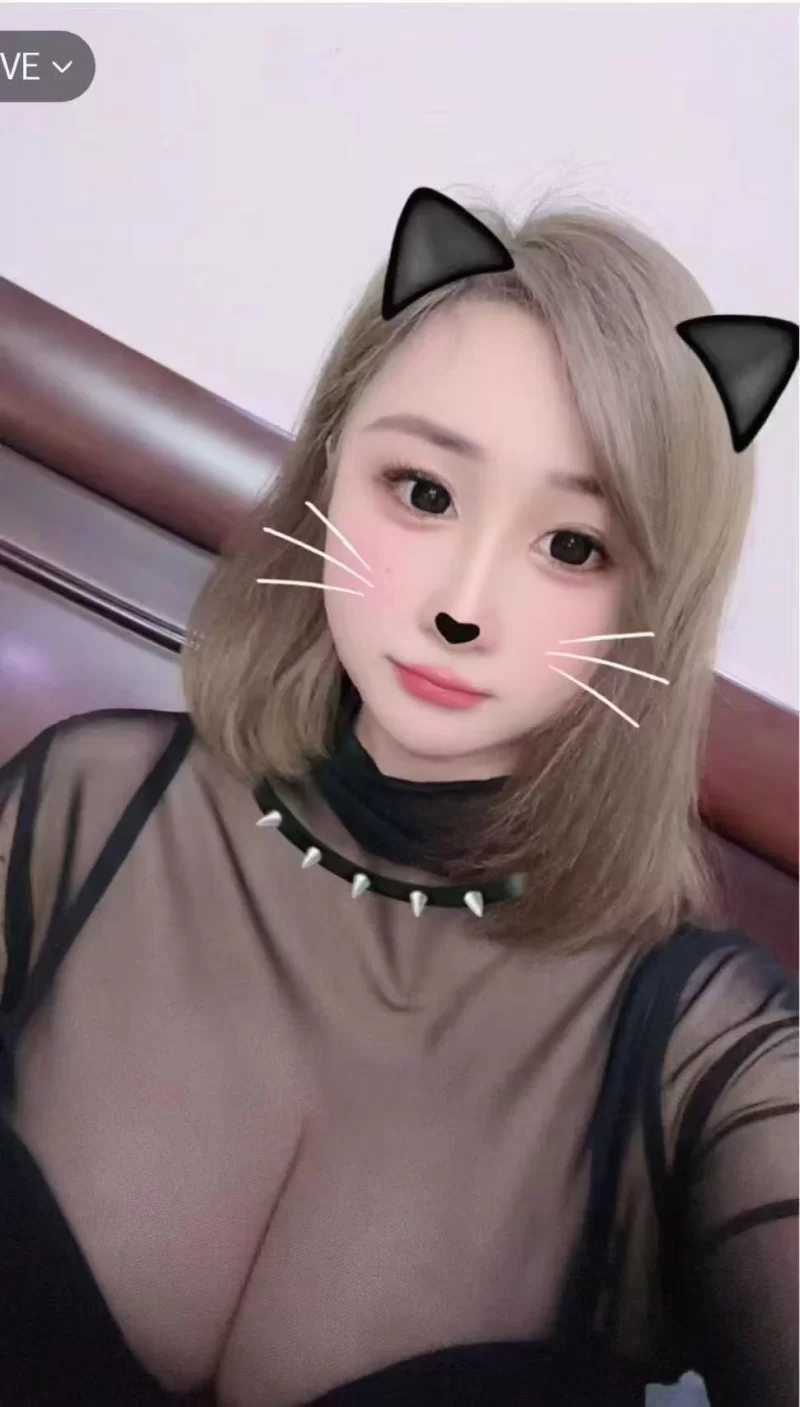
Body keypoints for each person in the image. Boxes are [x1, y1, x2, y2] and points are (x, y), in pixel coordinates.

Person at [0, 187, 797, 1407]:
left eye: (572, 547)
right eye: (422, 492)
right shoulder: (83, 809)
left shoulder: (704, 1054)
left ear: (655, 603)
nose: (461, 605)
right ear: (329, 467)